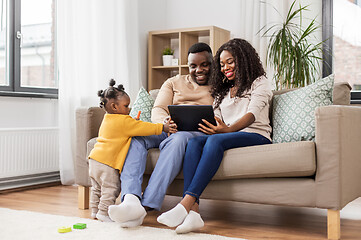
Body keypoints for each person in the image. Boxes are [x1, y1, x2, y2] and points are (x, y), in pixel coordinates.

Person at [157, 38, 273, 234]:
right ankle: (194, 213)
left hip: (256, 134)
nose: (225, 67)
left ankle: (185, 204)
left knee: (215, 140)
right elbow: (217, 117)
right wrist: (214, 126)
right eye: (221, 64)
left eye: (230, 61)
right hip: (228, 135)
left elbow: (252, 114)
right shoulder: (224, 89)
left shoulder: (260, 83)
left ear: (243, 60)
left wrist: (226, 130)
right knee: (194, 143)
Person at [108, 43, 214, 227]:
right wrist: (165, 123)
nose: (199, 70)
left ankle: (147, 204)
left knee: (179, 138)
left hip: (195, 133)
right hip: (169, 129)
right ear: (187, 66)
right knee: (136, 138)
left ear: (212, 63)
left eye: (204, 64)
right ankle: (131, 199)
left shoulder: (221, 86)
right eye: (193, 66)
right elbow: (158, 108)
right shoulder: (173, 82)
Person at [88, 79, 176, 222]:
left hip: (94, 159)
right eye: (126, 106)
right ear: (114, 106)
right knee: (111, 188)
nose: (129, 109)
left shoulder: (107, 118)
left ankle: (94, 210)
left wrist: (130, 121)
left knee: (97, 188)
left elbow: (128, 127)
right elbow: (145, 127)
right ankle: (103, 213)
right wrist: (163, 127)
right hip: (107, 163)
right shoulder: (124, 121)